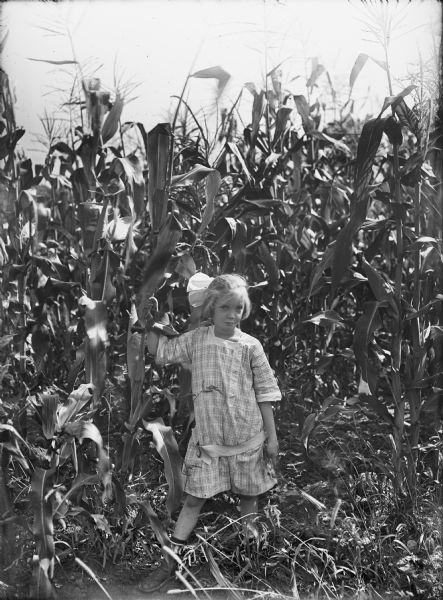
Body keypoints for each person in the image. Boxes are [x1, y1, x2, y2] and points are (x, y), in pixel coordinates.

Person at [139, 273, 281, 593]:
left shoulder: (250, 347)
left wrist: (272, 438)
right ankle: (169, 565)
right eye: (226, 308)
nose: (233, 315)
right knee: (193, 502)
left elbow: (265, 394)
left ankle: (250, 565)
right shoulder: (197, 340)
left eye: (239, 308)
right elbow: (160, 352)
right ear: (211, 309)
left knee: (249, 501)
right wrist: (150, 322)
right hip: (210, 444)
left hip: (247, 440)